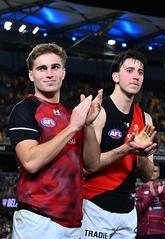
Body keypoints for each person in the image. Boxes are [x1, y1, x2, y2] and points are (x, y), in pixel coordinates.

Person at [8, 42, 103, 238]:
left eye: (55, 67)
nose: (49, 73)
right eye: (42, 68)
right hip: (37, 220)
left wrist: (88, 125)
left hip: (74, 223)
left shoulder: (72, 114)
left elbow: (92, 165)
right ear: (31, 75)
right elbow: (31, 162)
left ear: (63, 73)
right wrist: (73, 128)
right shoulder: (24, 109)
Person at [82, 50, 157, 239]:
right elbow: (88, 167)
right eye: (130, 70)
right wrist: (127, 149)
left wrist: (141, 155)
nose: (136, 76)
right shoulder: (99, 112)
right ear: (116, 76)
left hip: (127, 212)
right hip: (96, 206)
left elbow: (147, 175)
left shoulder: (145, 118)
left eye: (140, 72)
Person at [135, 164, 165, 239]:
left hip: (162, 232)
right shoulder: (139, 190)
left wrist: (162, 194)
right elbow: (138, 209)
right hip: (144, 232)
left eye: (155, 171)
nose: (153, 173)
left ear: (159, 174)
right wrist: (151, 196)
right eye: (151, 170)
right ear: (146, 172)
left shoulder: (164, 189)